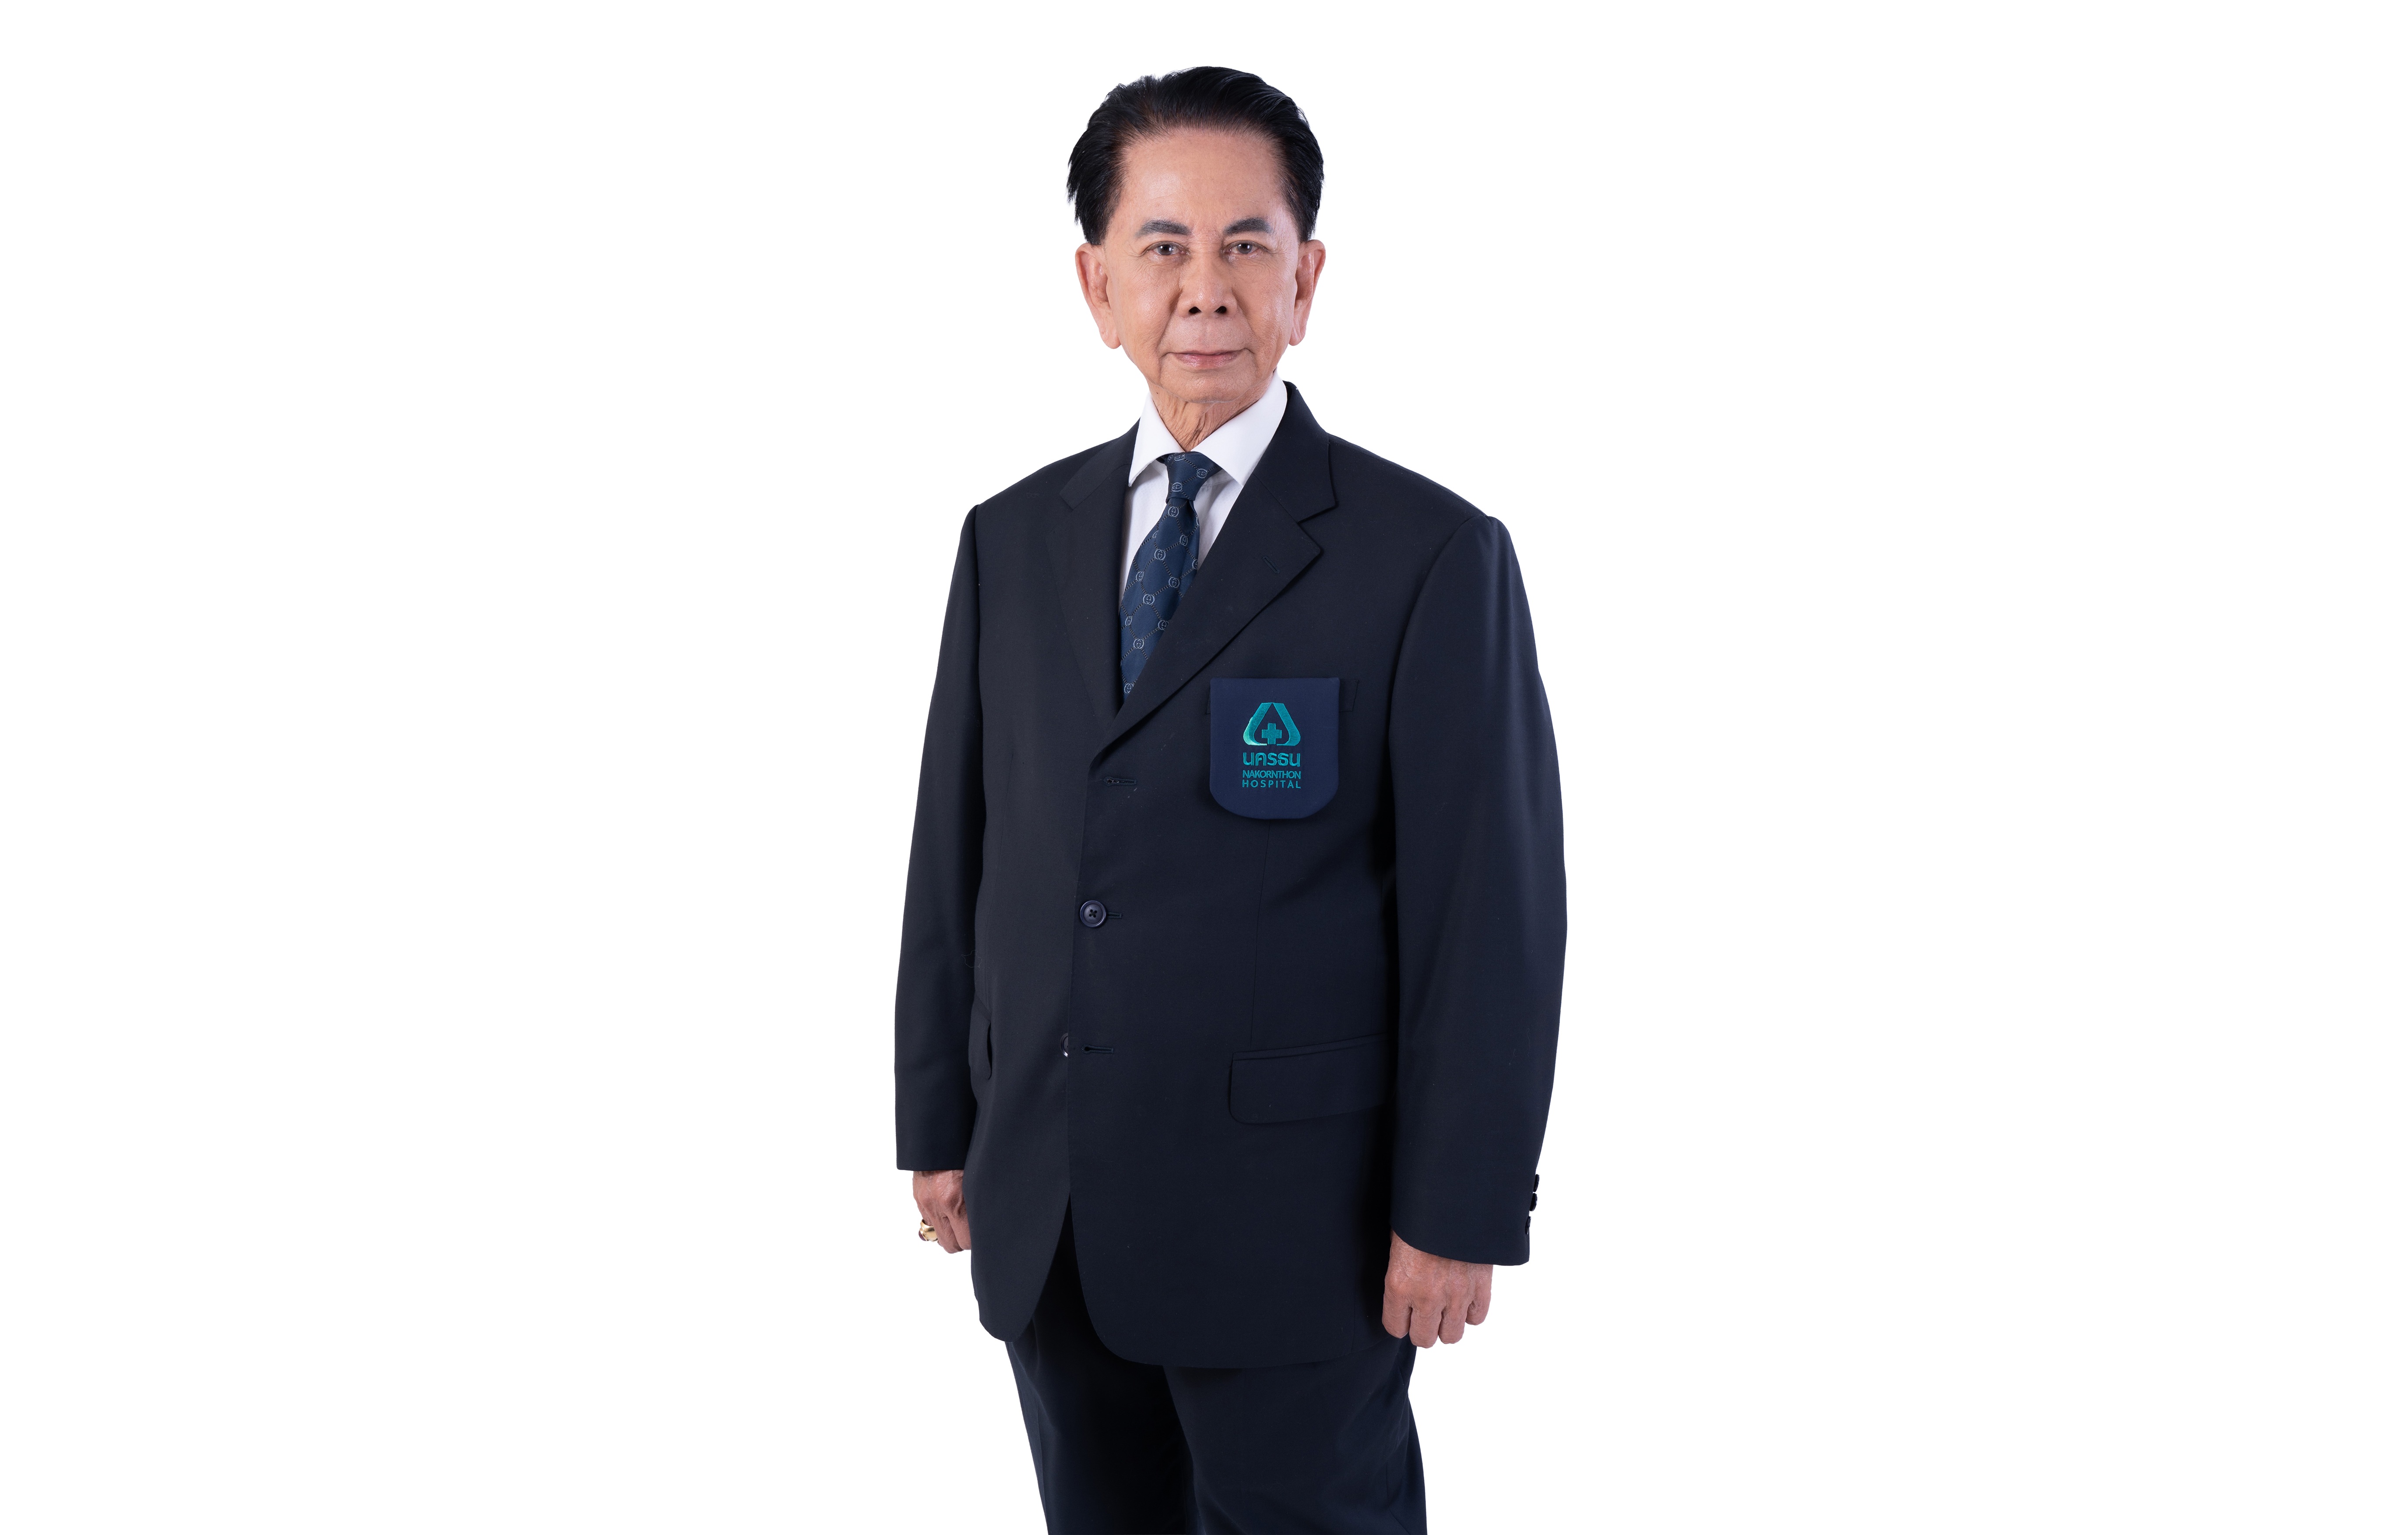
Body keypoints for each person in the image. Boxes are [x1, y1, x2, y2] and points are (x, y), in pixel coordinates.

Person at [894, 65, 1565, 1534]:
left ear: (1305, 279)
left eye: (1245, 245)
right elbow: (960, 854)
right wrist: (939, 1117)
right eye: (1163, 246)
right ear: (1097, 285)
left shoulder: (1426, 555)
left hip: (1300, 1226)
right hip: (1054, 1206)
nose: (1204, 287)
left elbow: (1489, 917)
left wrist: (1456, 1208)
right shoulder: (1011, 539)